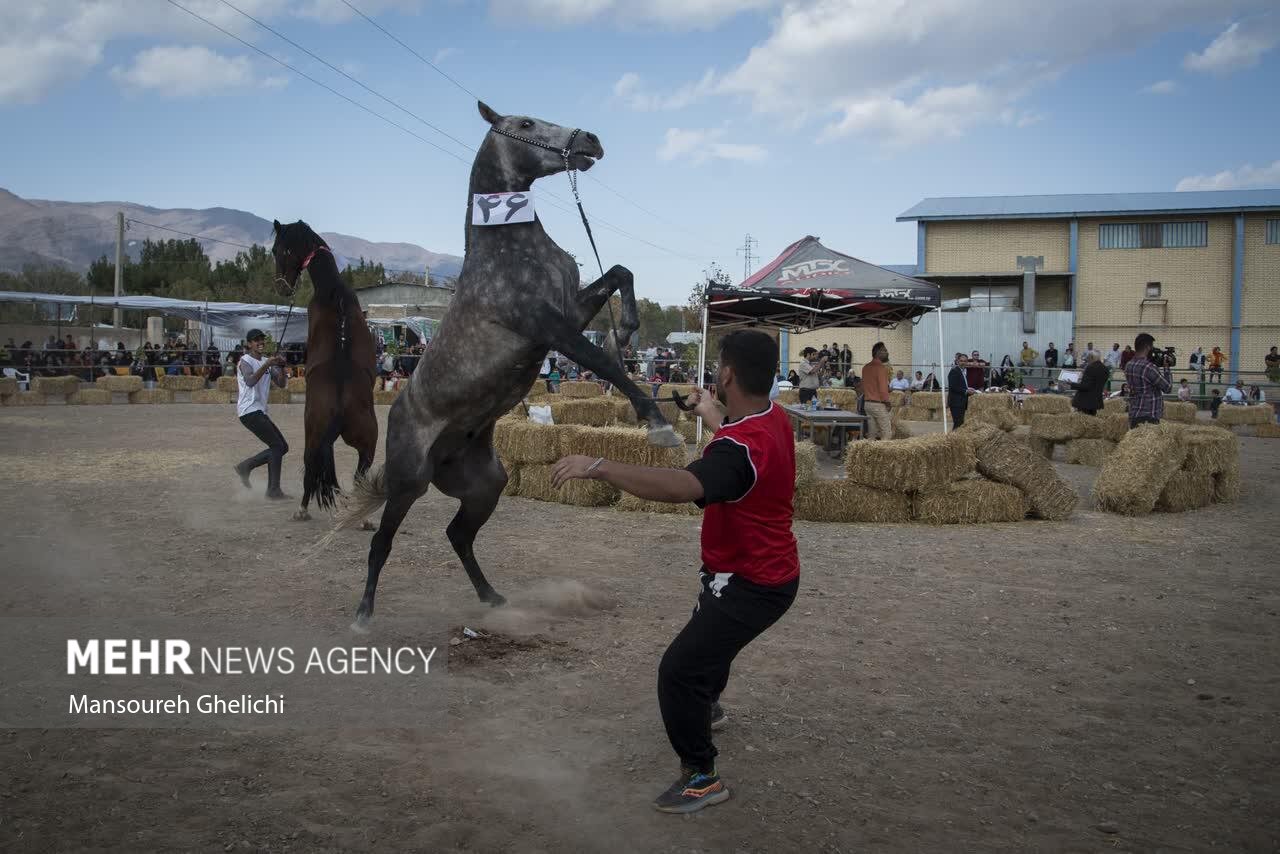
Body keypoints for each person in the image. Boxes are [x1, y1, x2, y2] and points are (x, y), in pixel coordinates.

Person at [550, 329, 797, 814]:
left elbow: (682, 486)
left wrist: (599, 465)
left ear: (726, 373)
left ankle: (701, 775)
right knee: (709, 638)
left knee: (679, 670)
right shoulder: (773, 418)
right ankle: (708, 706)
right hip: (754, 574)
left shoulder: (741, 450)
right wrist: (709, 412)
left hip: (754, 583)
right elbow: (736, 436)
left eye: (718, 369)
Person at [233, 330, 291, 499]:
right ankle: (272, 489)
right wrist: (267, 365)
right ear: (249, 343)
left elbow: (281, 384)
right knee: (278, 446)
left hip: (258, 411)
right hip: (248, 411)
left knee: (282, 447)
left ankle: (247, 467)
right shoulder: (245, 361)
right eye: (256, 340)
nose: (260, 342)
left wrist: (281, 366)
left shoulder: (267, 362)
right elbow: (250, 381)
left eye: (262, 340)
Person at [1123, 333, 1172, 428]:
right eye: (1152, 347)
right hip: (1149, 416)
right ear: (1147, 347)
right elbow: (1168, 388)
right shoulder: (1149, 367)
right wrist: (1166, 368)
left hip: (1134, 414)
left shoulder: (1129, 365)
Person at [861, 342, 893, 440]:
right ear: (878, 352)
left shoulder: (865, 367)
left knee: (871, 434)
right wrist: (888, 403)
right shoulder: (881, 368)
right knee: (886, 433)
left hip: (867, 404)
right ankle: (883, 455)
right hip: (878, 404)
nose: (887, 352)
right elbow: (883, 390)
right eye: (885, 350)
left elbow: (863, 386)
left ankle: (870, 454)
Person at [946, 352, 973, 428]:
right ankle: (952, 438)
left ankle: (955, 438)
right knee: (958, 423)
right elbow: (953, 386)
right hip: (956, 402)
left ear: (967, 362)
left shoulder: (963, 371)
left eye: (965, 361)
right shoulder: (954, 371)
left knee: (960, 423)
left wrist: (968, 388)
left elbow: (961, 385)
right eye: (961, 361)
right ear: (957, 361)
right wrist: (966, 391)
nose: (963, 363)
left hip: (961, 401)